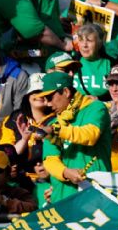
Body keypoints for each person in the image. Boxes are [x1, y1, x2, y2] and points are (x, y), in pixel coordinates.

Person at [34, 70, 111, 203]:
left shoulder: (96, 108)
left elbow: (90, 135)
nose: (47, 103)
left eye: (50, 97)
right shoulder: (54, 123)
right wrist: (65, 172)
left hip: (95, 192)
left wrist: (56, 130)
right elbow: (50, 160)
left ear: (66, 92)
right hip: (62, 196)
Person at [73, 23, 112, 99]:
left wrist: (100, 99)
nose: (84, 45)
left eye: (89, 41)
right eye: (81, 40)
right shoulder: (71, 63)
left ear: (100, 43)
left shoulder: (112, 64)